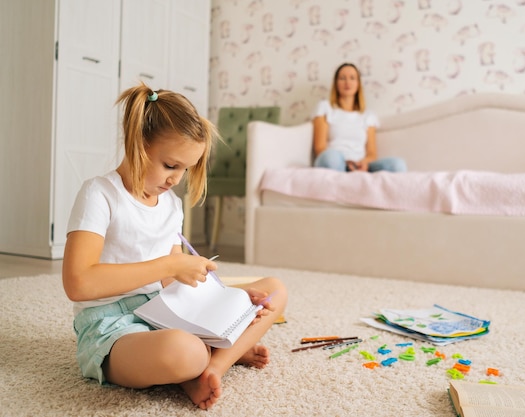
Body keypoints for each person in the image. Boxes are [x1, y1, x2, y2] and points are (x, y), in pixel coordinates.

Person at [62, 83, 287, 410]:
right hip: (111, 325)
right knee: (185, 351)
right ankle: (214, 354)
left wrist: (227, 298)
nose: (177, 180)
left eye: (186, 169)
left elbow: (175, 284)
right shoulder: (99, 194)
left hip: (166, 313)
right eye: (170, 165)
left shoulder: (170, 205)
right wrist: (170, 266)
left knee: (274, 290)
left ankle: (213, 368)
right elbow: (78, 283)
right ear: (138, 144)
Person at [312, 62, 407, 173]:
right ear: (336, 83)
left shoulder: (368, 116)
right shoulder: (325, 108)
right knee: (330, 157)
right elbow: (320, 148)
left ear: (358, 84)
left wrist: (362, 164)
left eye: (352, 78)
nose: (347, 82)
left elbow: (371, 153)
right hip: (336, 163)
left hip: (360, 165)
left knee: (397, 165)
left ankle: (356, 176)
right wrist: (346, 163)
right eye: (342, 78)